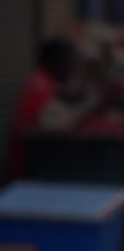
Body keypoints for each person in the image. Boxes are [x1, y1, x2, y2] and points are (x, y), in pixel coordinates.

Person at [5, 38, 94, 183]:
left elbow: (69, 96)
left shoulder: (46, 81)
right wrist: (93, 106)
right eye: (69, 62)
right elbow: (60, 123)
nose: (72, 68)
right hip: (31, 172)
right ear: (53, 62)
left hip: (38, 167)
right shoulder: (39, 87)